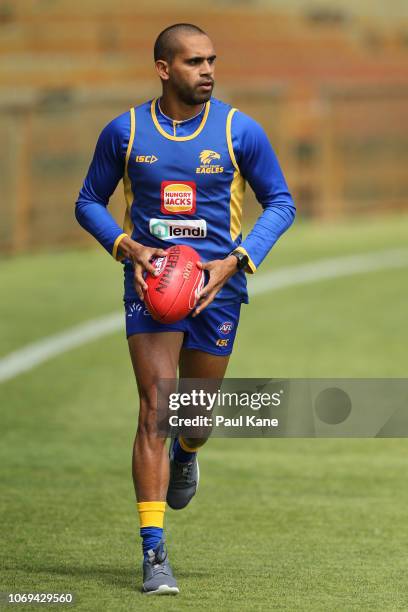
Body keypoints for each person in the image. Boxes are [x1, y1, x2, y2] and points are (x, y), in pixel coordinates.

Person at [75, 22, 295, 595]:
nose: (208, 71)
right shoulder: (123, 132)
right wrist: (127, 247)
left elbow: (281, 202)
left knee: (190, 419)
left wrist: (237, 261)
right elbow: (88, 201)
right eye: (195, 62)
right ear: (164, 68)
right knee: (155, 408)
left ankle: (189, 451)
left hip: (217, 291)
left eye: (212, 61)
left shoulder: (237, 131)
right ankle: (153, 555)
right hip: (152, 290)